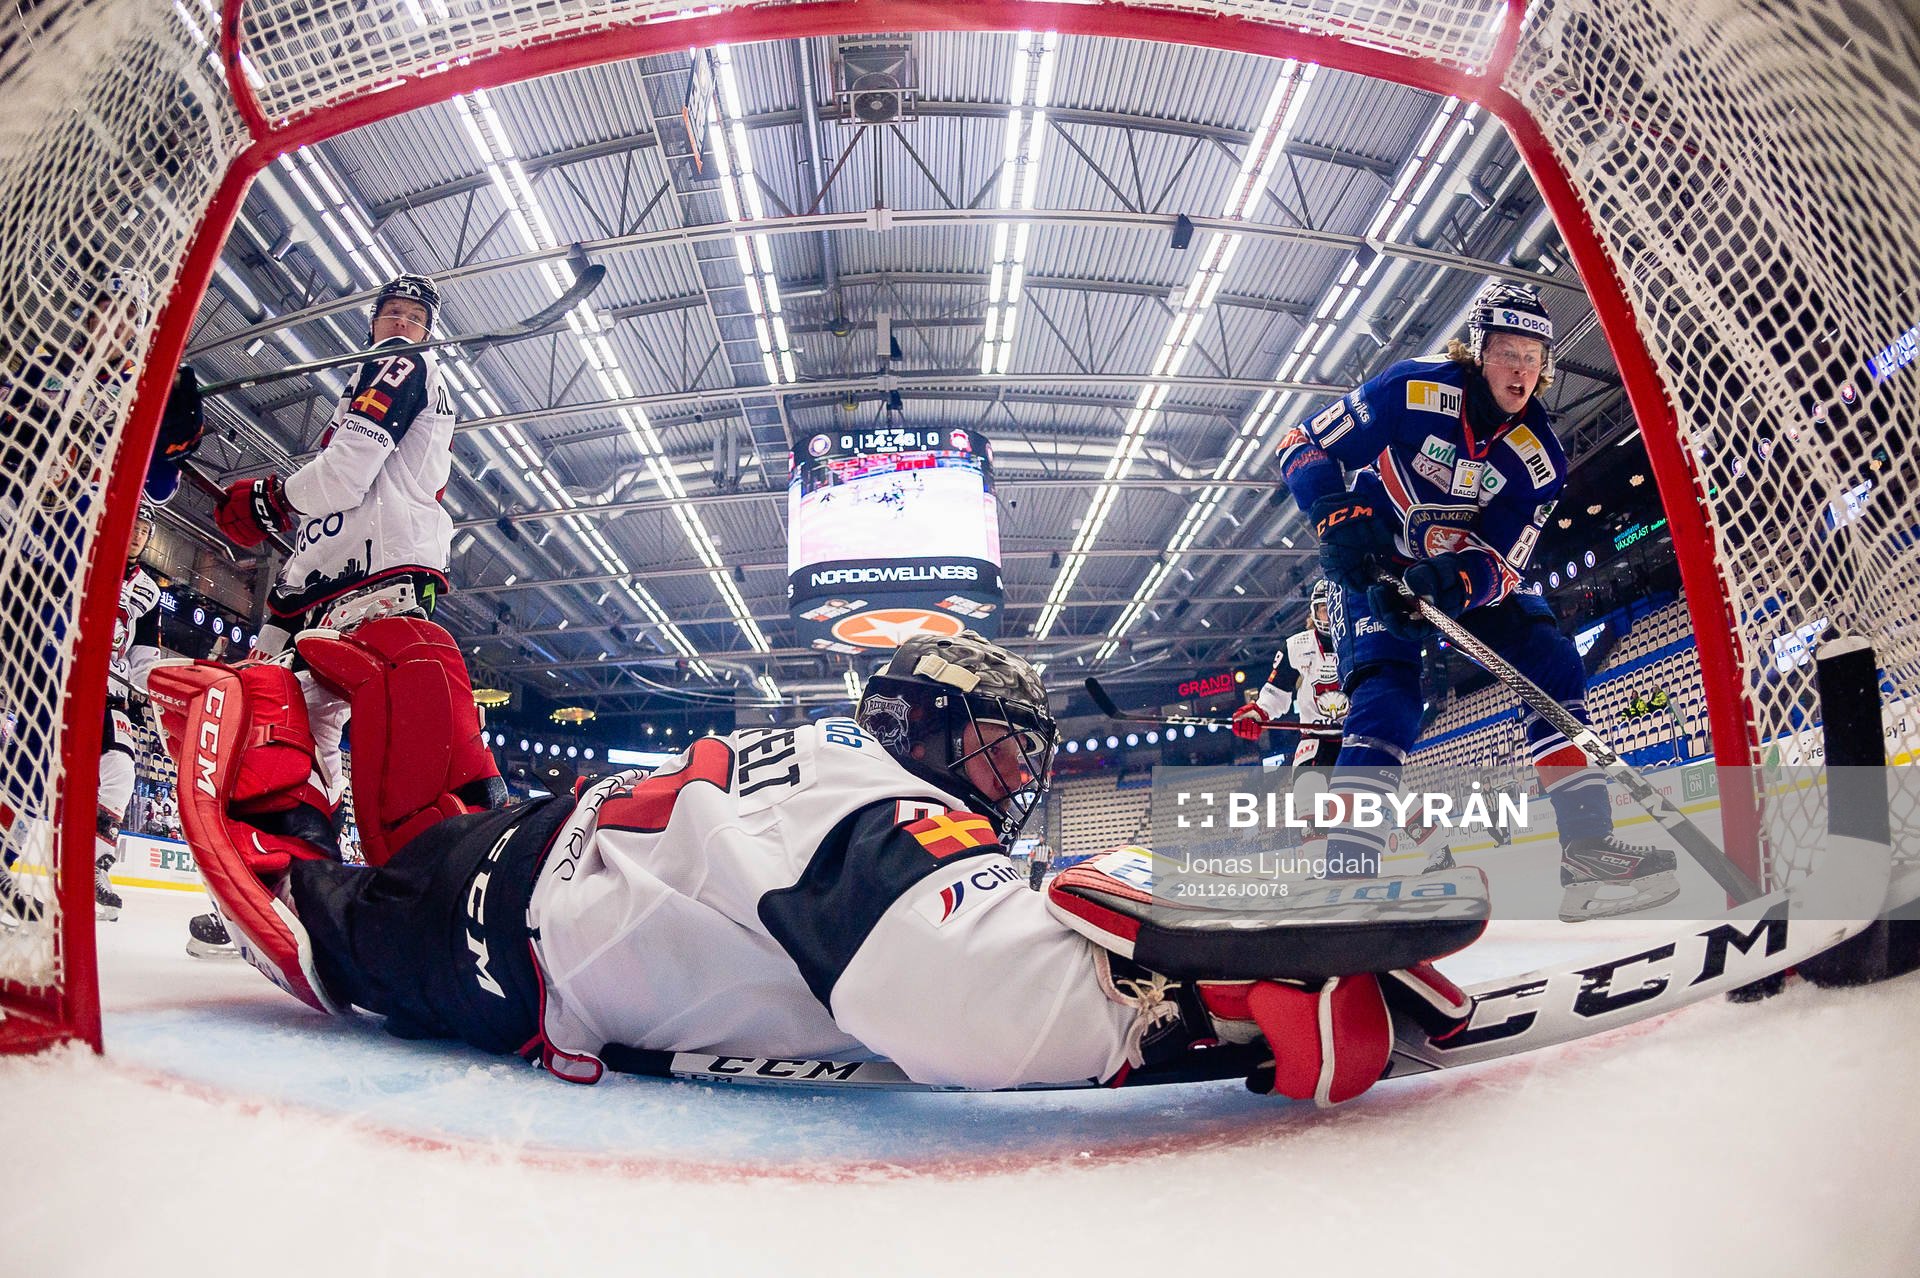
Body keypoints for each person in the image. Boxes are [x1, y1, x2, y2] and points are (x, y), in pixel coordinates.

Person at [147, 624, 1475, 1104]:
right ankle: (233, 705)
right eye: (1009, 760)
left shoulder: (831, 755)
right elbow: (964, 996)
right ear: (944, 732)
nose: (1017, 792)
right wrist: (1212, 1000)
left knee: (415, 677)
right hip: (485, 945)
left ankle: (345, 698)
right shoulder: (881, 816)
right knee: (300, 914)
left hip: (515, 850)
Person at [1274, 279, 1676, 922]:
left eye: (1533, 355)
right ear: (1477, 350)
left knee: (1552, 660)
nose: (1521, 368)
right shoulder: (1409, 389)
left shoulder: (1540, 456)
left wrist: (1457, 583)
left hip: (1458, 580)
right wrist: (1332, 512)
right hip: (1381, 568)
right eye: (1508, 350)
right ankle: (1346, 883)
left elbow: (1504, 562)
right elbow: (1302, 443)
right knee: (1388, 700)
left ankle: (1588, 856)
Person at [192, 273, 484, 956]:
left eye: (417, 315)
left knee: (399, 756)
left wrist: (267, 497)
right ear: (374, 319)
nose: (406, 322)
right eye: (395, 312)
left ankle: (424, 912)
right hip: (334, 592)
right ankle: (299, 894)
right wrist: (274, 625)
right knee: (295, 739)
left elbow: (346, 476)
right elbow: (325, 529)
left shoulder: (403, 366)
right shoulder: (357, 396)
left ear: (427, 330)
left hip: (383, 585)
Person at [1231, 578, 1348, 769]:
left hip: (1358, 733)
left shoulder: (1362, 641)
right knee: (1307, 794)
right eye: (1325, 609)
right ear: (1314, 612)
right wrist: (1257, 713)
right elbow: (1276, 693)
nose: (1331, 616)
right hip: (1315, 737)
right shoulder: (1296, 647)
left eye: (1335, 609)